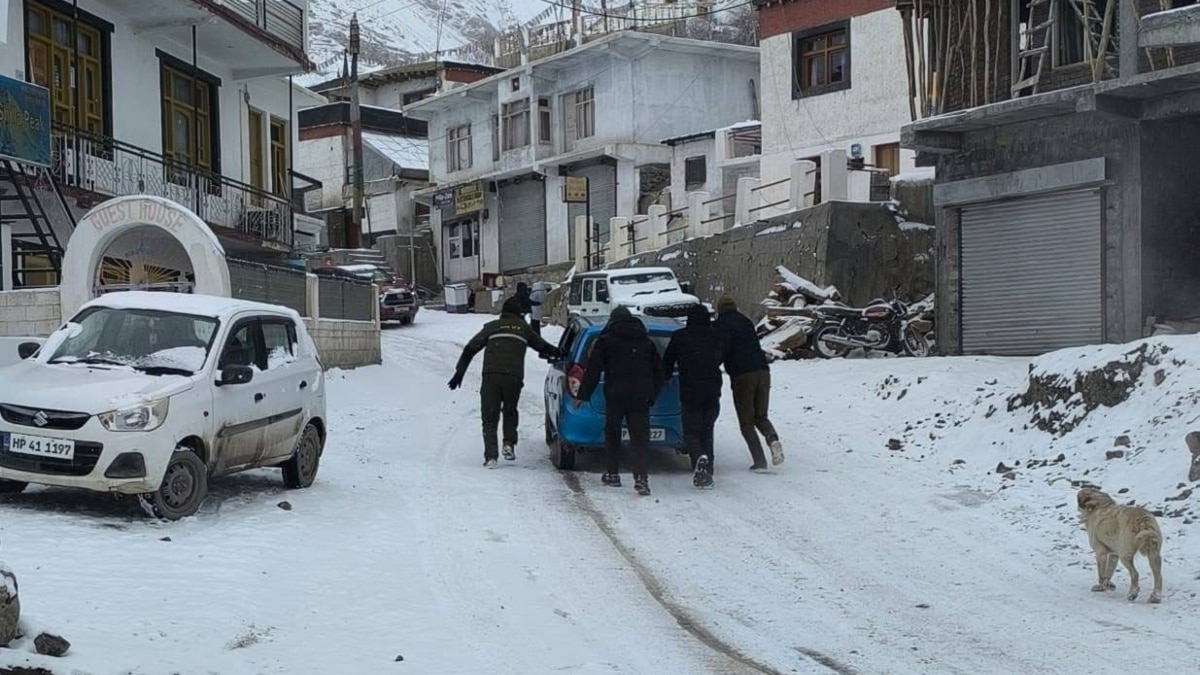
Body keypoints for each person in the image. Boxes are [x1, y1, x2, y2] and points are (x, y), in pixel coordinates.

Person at [449, 297, 562, 468]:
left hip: (491, 376)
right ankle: (508, 444)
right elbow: (542, 346)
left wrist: (459, 373)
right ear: (519, 314)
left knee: (489, 416)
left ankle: (491, 457)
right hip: (513, 377)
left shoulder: (492, 327)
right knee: (510, 410)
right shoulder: (524, 329)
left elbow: (470, 348)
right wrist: (561, 353)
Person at [575, 306, 664, 496]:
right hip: (640, 396)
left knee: (613, 433)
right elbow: (659, 371)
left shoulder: (606, 341)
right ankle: (641, 478)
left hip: (615, 394)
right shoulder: (646, 342)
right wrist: (652, 393)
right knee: (640, 437)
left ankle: (612, 474)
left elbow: (593, 370)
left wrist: (583, 395)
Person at [713, 295, 785, 471]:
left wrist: (712, 365)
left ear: (719, 310)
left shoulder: (721, 325)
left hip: (742, 376)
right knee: (761, 416)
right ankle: (773, 440)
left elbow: (721, 349)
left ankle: (759, 461)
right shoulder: (745, 321)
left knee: (746, 422)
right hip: (763, 371)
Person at [662, 303, 728, 488]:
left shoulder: (680, 337)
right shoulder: (716, 337)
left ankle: (699, 457)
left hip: (690, 391)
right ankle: (707, 473)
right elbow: (720, 356)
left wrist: (663, 378)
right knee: (707, 430)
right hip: (712, 389)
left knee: (691, 431)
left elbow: (667, 363)